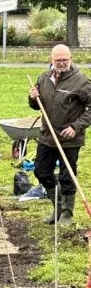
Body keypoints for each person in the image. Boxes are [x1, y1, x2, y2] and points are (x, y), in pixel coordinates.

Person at [28, 44, 91, 226]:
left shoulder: (81, 81)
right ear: (51, 60)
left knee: (66, 175)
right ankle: (57, 207)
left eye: (65, 60)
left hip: (70, 137)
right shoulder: (44, 78)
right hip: (48, 135)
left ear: (71, 59)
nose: (62, 63)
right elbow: (37, 105)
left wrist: (76, 127)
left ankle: (67, 214)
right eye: (58, 60)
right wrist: (32, 98)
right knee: (41, 171)